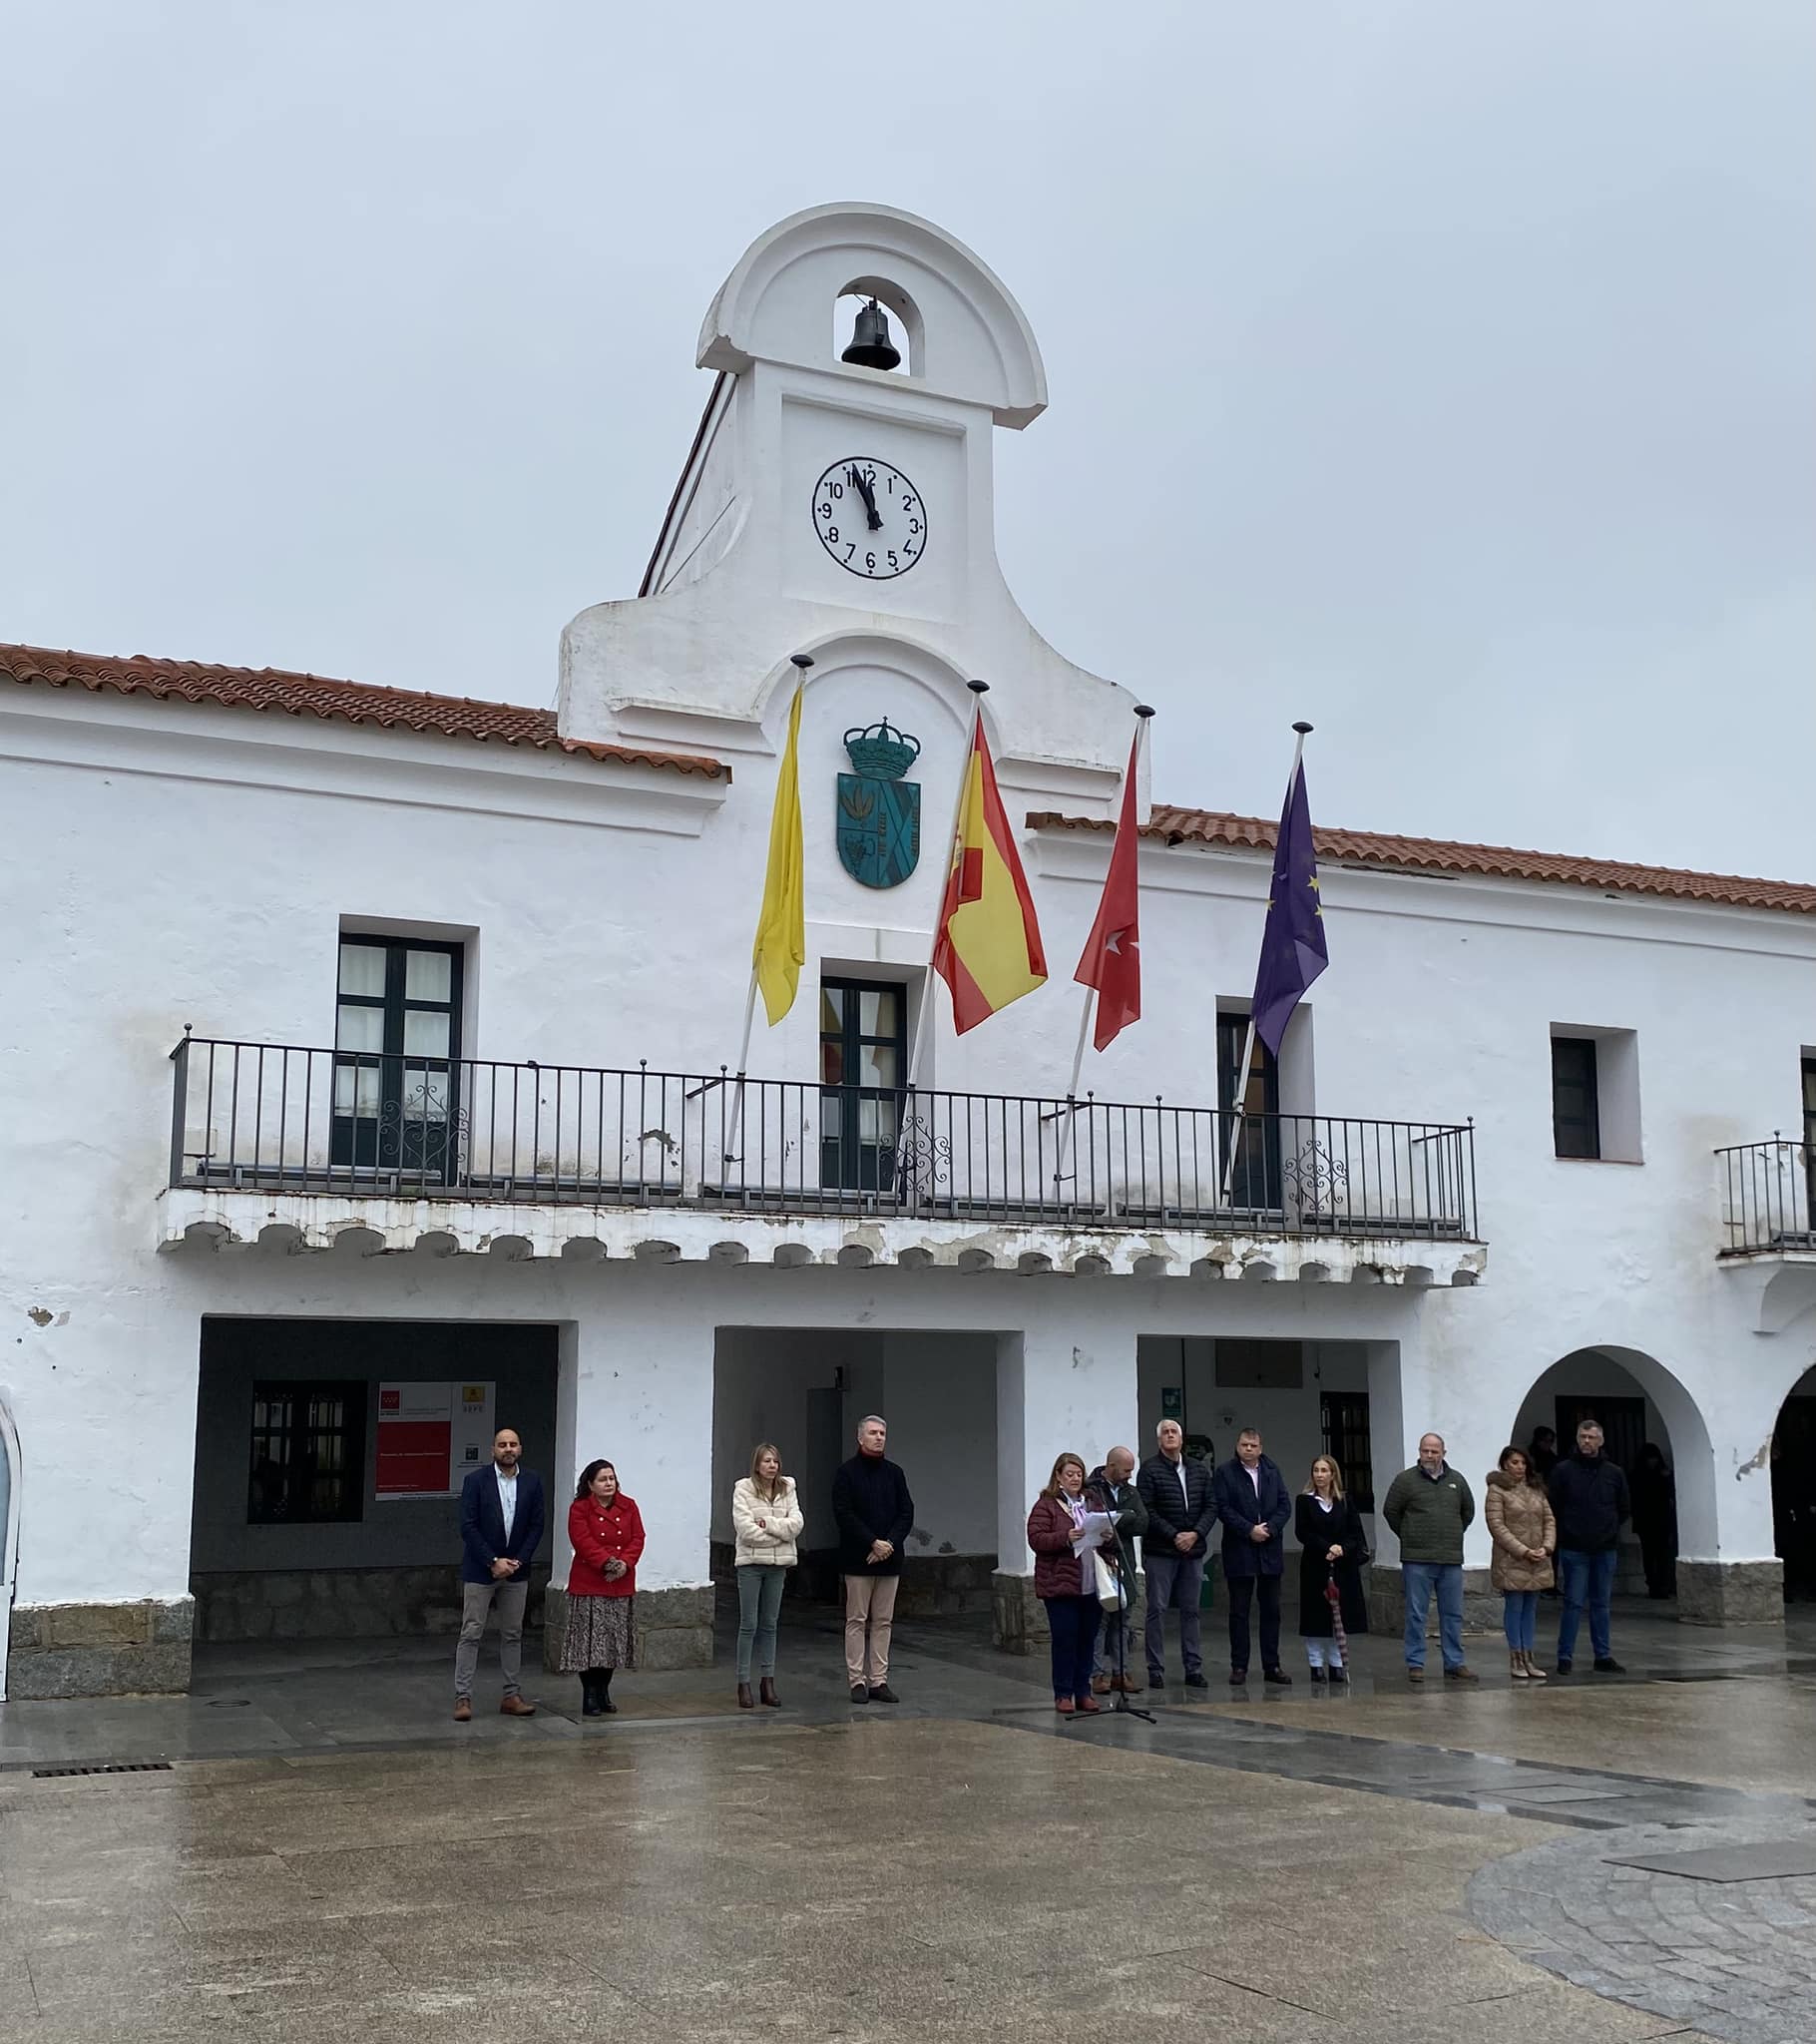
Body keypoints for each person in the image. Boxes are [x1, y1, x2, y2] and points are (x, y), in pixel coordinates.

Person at [454, 1427, 546, 1721]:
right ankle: (463, 1698)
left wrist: (518, 1560)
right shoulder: (475, 1481)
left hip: (517, 1572)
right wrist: (492, 1560)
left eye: (513, 1444)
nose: (508, 1449)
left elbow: (536, 1525)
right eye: (502, 1444)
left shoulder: (532, 1481)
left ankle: (511, 1695)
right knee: (471, 1632)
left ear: (520, 1449)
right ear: (492, 1450)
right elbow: (468, 1526)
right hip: (481, 1570)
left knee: (512, 1634)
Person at [1381, 1432, 1478, 1685]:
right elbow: (1390, 1511)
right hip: (1417, 1559)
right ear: (1419, 1452)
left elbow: (1468, 1511)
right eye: (1426, 1451)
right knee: (1416, 1613)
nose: (1430, 1456)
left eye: (1435, 1451)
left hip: (1450, 1559)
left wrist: (1453, 1533)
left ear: (1444, 1453)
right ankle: (1415, 1663)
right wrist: (1408, 1534)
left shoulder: (1457, 1480)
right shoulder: (1405, 1481)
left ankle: (1454, 1662)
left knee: (1453, 1613)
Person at [831, 1414, 913, 1705]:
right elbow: (844, 1513)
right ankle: (857, 1680)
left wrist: (889, 1543)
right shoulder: (846, 1473)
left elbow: (906, 1512)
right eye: (873, 1433)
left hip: (889, 1558)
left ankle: (879, 1679)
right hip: (859, 1558)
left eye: (882, 1433)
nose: (879, 1437)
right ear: (860, 1437)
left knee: (883, 1621)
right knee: (856, 1619)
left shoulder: (895, 1473)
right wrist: (872, 1542)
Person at [1137, 1418, 1217, 1690]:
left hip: (1193, 1550)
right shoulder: (1149, 1470)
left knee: (1191, 1610)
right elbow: (1147, 1510)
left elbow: (1211, 1505)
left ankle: (1193, 1667)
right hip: (1161, 1550)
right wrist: (1174, 1535)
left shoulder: (1198, 1470)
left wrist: (1195, 1533)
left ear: (1182, 1439)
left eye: (1174, 1432)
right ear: (1159, 1440)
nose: (1170, 1436)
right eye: (1165, 1433)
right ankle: (1156, 1669)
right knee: (1157, 1609)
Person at [561, 1458, 645, 1716]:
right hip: (591, 1582)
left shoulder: (628, 1505)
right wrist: (607, 1562)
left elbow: (637, 1538)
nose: (609, 1483)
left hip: (619, 1583)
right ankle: (589, 1694)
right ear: (590, 1484)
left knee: (612, 1644)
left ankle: (604, 1691)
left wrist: (624, 1564)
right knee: (589, 1646)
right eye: (602, 1479)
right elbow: (582, 1541)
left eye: (611, 1478)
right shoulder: (580, 1508)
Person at [1548, 1418, 1630, 1674]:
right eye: (1583, 1436)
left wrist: (1608, 1528)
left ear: (1601, 1440)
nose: (1586, 1441)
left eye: (1591, 1437)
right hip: (1574, 1548)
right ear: (1577, 1439)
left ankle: (1602, 1655)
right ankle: (1565, 1656)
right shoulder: (1563, 1471)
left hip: (1604, 1549)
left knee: (1601, 1603)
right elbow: (1553, 1506)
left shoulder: (1614, 1473)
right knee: (1572, 1602)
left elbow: (1624, 1507)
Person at [1027, 1453, 1106, 1716]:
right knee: (1065, 1639)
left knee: (1087, 1638)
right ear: (1058, 1477)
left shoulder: (1093, 1502)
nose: (1075, 1478)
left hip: (1090, 1582)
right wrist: (1065, 1537)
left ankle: (1083, 1691)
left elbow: (1110, 1536)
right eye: (1069, 1474)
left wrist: (1108, 1536)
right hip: (1060, 1584)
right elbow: (1036, 1539)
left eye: (1079, 1474)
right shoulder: (1046, 1505)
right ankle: (1063, 1693)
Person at [1213, 1428, 1293, 1686]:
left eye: (1253, 1445)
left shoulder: (1272, 1471)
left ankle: (1272, 1665)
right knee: (1239, 1612)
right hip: (1240, 1550)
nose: (1248, 1449)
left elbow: (1284, 1505)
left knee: (1271, 1611)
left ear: (1260, 1448)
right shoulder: (1225, 1473)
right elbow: (1222, 1508)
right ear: (1237, 1446)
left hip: (1270, 1550)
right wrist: (1249, 1529)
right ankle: (1239, 1666)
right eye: (1244, 1444)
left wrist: (1270, 1528)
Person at [731, 1442, 803, 1709]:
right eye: (766, 1461)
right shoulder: (743, 1489)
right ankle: (743, 1682)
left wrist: (770, 1525)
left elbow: (796, 1523)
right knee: (748, 1624)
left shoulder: (788, 1488)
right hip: (751, 1565)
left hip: (778, 1567)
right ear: (757, 1465)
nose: (772, 1466)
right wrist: (780, 1536)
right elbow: (745, 1530)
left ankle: (768, 1681)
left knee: (770, 1625)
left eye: (775, 1461)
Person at [1294, 1455, 1369, 1684]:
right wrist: (1326, 1547)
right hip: (1315, 1565)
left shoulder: (1344, 1501)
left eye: (1324, 1470)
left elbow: (1355, 1533)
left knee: (1339, 1616)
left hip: (1341, 1566)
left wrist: (1340, 1549)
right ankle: (1315, 1664)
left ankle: (1337, 1663)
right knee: (1315, 1618)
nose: (1319, 1475)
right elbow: (1303, 1532)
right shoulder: (1305, 1501)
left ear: (1333, 1474)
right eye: (1316, 1470)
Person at [1485, 1445, 1556, 1681]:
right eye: (1515, 1462)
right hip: (1512, 1559)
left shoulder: (1536, 1489)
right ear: (1505, 1463)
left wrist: (1546, 1547)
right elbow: (1497, 1526)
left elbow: (1549, 1519)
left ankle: (1529, 1657)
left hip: (1537, 1558)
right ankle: (1515, 1657)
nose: (1519, 1467)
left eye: (1523, 1463)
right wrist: (1523, 1551)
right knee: (1515, 1607)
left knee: (1530, 1609)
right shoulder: (1497, 1490)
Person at [1086, 1446, 1148, 1695]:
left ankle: (1120, 1673)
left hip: (1125, 1562)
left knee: (1122, 1622)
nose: (1130, 1475)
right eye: (1126, 1470)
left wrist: (1119, 1518)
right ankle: (1097, 1674)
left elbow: (1143, 1522)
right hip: (1101, 1562)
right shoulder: (1093, 1490)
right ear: (1111, 1466)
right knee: (1100, 1622)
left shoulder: (1130, 1491)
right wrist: (1124, 1518)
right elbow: (1092, 1521)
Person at [1630, 1443, 1677, 1600]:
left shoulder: (1663, 1475)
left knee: (1663, 1554)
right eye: (1650, 1458)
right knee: (1650, 1555)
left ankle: (1664, 1584)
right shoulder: (1638, 1476)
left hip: (1662, 1520)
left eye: (1654, 1458)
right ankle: (1653, 1584)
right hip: (1646, 1521)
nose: (1653, 1461)